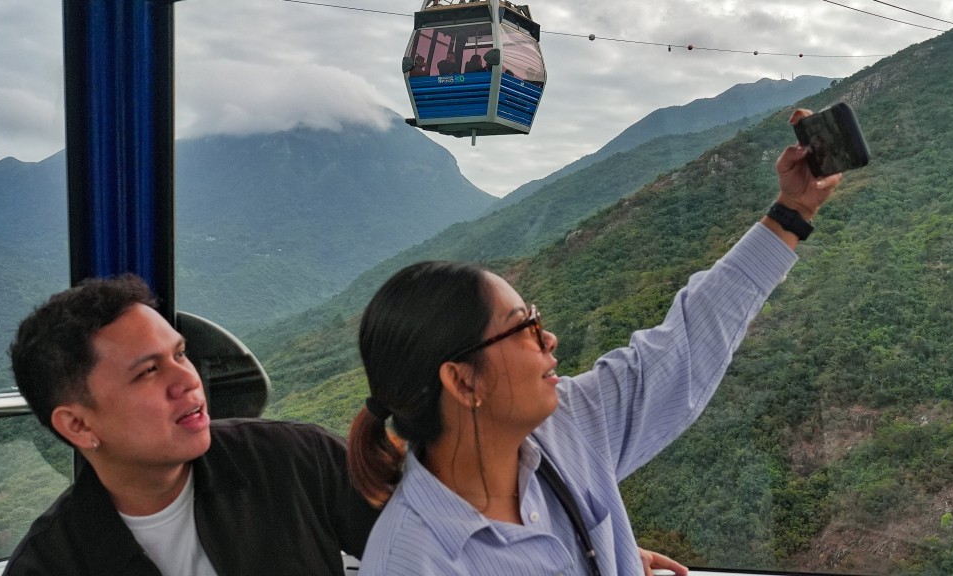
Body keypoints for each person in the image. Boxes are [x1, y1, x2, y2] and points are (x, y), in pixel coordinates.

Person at [347, 109, 841, 575]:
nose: (549, 338)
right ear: (462, 379)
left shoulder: (565, 430)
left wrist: (792, 212)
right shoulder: (414, 561)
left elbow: (682, 346)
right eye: (525, 328)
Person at [5, 275, 378, 576]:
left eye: (180, 354)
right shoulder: (50, 564)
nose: (187, 379)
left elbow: (424, 544)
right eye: (148, 371)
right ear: (78, 425)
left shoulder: (298, 460)